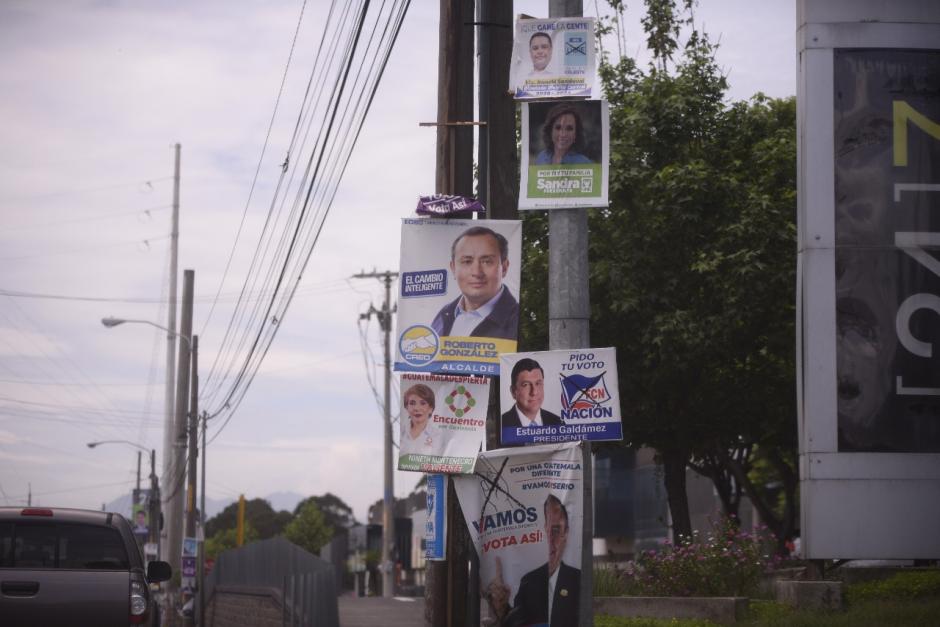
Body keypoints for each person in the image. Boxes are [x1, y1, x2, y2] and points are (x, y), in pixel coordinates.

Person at [485, 494, 581, 626]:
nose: (551, 541)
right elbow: (515, 623)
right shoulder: (529, 582)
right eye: (549, 530)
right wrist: (502, 609)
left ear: (566, 533)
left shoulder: (580, 581)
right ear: (544, 530)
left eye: (557, 530)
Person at [431, 226, 518, 340]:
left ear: (505, 268)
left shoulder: (518, 320)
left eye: (487, 261)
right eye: (467, 261)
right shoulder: (444, 315)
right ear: (453, 268)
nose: (477, 272)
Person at [501, 358, 562, 429]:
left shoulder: (558, 422)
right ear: (513, 391)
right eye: (526, 385)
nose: (534, 392)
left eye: (538, 383)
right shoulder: (502, 425)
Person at [399, 383, 437, 455]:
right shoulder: (400, 432)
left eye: (423, 403)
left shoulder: (437, 436)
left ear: (431, 408)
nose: (416, 408)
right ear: (406, 407)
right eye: (412, 403)